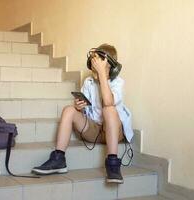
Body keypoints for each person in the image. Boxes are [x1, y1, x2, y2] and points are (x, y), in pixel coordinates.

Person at [32, 44, 134, 183]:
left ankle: (113, 164)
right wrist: (79, 107)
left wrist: (103, 75)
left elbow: (108, 101)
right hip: (95, 130)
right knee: (68, 110)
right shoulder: (89, 82)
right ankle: (58, 159)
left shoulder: (118, 82)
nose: (94, 64)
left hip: (114, 131)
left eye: (97, 62)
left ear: (109, 65)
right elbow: (85, 109)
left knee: (109, 110)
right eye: (93, 61)